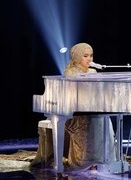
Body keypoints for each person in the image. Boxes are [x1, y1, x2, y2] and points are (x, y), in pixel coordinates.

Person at [31, 42, 117, 170]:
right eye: (85, 56)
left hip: (90, 109)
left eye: (91, 56)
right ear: (77, 57)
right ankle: (86, 161)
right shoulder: (70, 72)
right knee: (91, 122)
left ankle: (103, 159)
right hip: (74, 112)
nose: (89, 59)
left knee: (105, 119)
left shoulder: (93, 71)